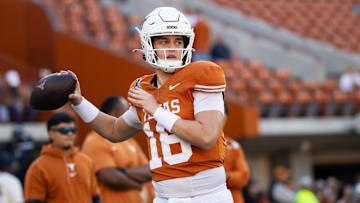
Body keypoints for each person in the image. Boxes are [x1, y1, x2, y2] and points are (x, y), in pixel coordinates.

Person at [66, 6, 232, 203]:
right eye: (164, 41)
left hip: (207, 197)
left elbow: (206, 136)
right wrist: (79, 101)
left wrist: (155, 109)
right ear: (148, 44)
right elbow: (113, 130)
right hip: (164, 197)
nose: (172, 47)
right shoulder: (145, 89)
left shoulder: (203, 75)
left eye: (178, 41)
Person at [82, 96, 153, 203]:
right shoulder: (94, 140)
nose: (130, 114)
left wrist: (122, 172)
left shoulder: (129, 140)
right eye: (126, 110)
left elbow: (150, 171)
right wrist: (137, 186)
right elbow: (111, 178)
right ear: (116, 113)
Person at [24, 112, 100, 203]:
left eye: (73, 130)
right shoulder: (38, 167)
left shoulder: (87, 161)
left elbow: (95, 197)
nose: (70, 134)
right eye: (64, 131)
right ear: (51, 134)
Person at [223, 102, 250, 203]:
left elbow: (244, 176)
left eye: (223, 112)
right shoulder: (197, 142)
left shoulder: (233, 146)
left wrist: (226, 176)